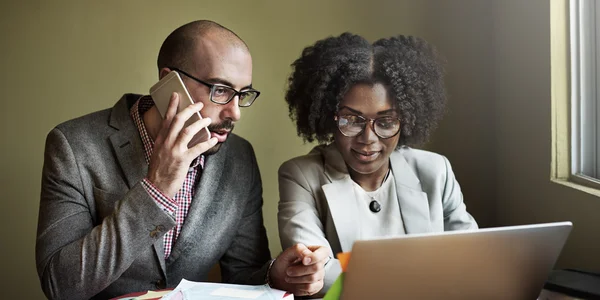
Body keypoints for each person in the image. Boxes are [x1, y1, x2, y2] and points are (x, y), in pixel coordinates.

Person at [36, 20, 328, 300]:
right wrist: (156, 189)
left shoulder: (239, 158)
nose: (235, 113)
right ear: (169, 82)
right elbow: (61, 286)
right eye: (221, 91)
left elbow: (242, 275)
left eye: (242, 94)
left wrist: (275, 276)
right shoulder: (74, 145)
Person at [278, 33, 478, 296]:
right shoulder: (301, 175)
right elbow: (318, 275)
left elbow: (473, 257)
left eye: (385, 122)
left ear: (405, 120)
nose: (368, 138)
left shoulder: (436, 171)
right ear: (329, 117)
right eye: (351, 120)